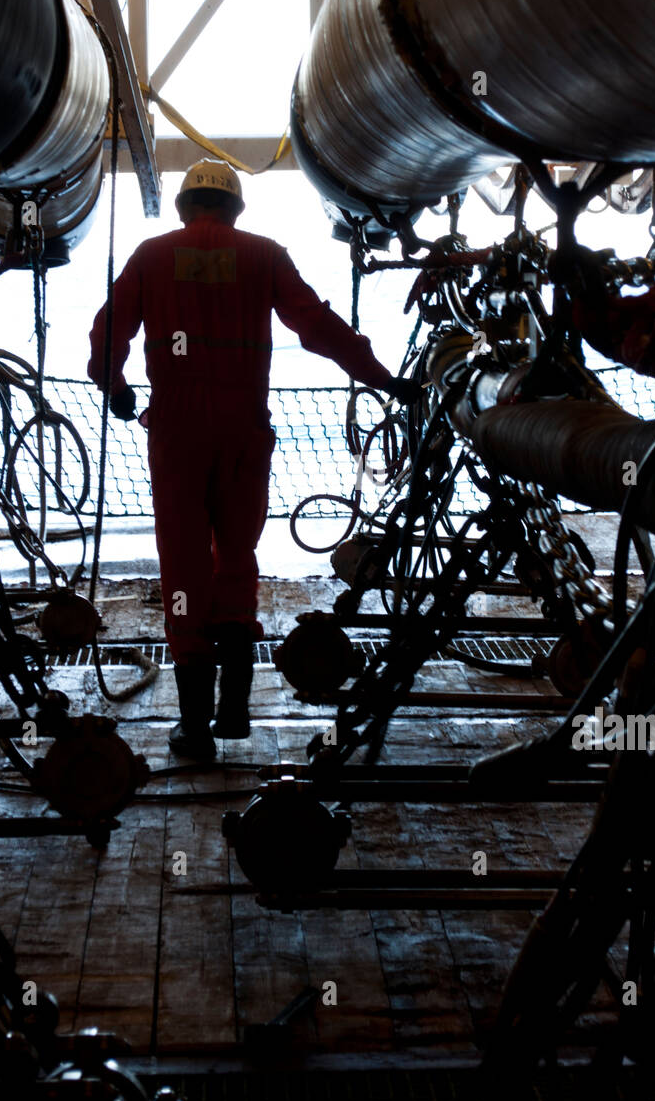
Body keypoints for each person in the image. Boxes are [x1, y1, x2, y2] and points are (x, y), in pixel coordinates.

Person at [88, 160, 418, 759]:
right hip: (243, 433)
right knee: (235, 560)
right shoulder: (264, 255)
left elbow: (110, 329)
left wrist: (114, 385)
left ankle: (194, 729)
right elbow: (317, 325)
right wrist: (384, 379)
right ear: (236, 208)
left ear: (186, 205)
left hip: (178, 436)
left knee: (184, 570)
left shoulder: (152, 256)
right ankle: (234, 711)